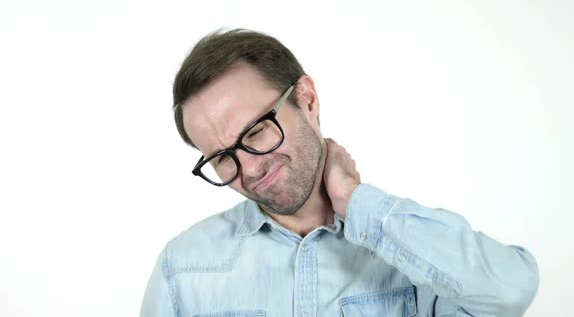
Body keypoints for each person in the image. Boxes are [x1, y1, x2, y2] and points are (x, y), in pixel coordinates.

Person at [140, 29, 539, 317]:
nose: (249, 169)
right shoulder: (183, 269)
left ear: (307, 100)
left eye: (257, 131)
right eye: (223, 157)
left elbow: (508, 293)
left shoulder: (413, 253)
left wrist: (356, 202)